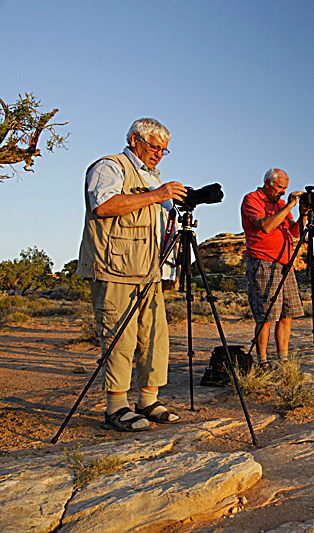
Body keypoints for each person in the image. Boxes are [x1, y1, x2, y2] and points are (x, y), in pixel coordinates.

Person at [77, 118, 186, 432]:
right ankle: (116, 408)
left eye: (164, 151)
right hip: (116, 269)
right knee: (119, 339)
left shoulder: (152, 177)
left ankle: (148, 401)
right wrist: (156, 195)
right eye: (154, 147)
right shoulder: (111, 167)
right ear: (135, 138)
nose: (158, 155)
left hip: (149, 271)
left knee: (155, 338)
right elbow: (103, 206)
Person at [241, 168, 307, 367]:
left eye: (285, 188)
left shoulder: (279, 204)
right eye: (280, 187)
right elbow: (266, 226)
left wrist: (302, 214)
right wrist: (288, 207)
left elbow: (295, 233)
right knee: (266, 316)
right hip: (263, 263)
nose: (283, 192)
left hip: (285, 264)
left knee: (286, 315)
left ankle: (283, 359)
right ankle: (263, 361)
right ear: (268, 182)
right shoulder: (252, 199)